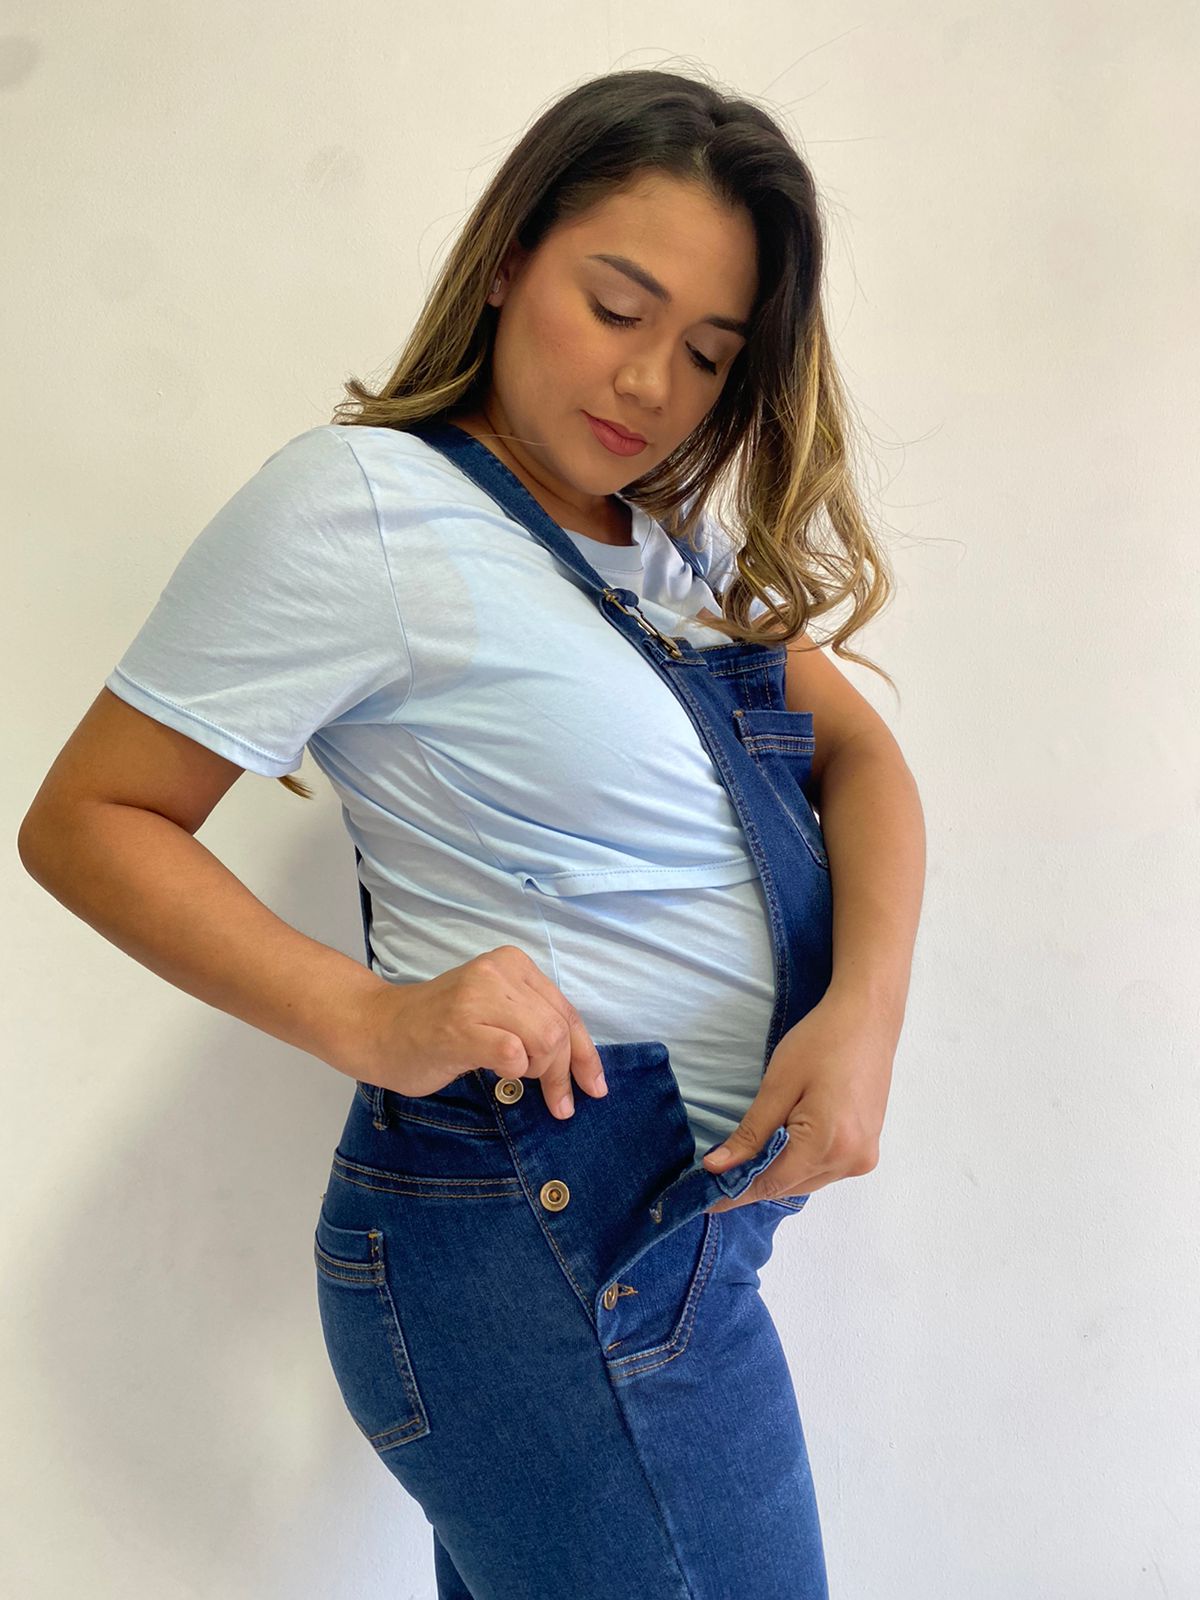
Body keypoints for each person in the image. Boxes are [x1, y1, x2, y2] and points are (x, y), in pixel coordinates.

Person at [18, 67, 925, 1600]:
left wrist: (864, 1017)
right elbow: (88, 819)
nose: (650, 383)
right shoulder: (364, 504)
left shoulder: (670, 549)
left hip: (653, 1247)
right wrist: (369, 1016)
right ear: (509, 260)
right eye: (616, 305)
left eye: (709, 354)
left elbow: (864, 757)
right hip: (548, 1238)